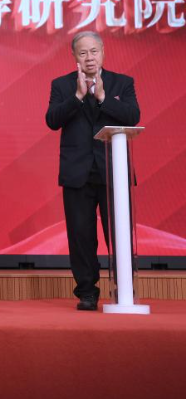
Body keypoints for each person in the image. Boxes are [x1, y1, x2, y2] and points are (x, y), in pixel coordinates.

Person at [45, 31, 140, 311]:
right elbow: (52, 120)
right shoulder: (62, 85)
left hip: (114, 171)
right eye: (83, 52)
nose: (89, 58)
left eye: (94, 51)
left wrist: (102, 97)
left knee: (119, 233)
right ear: (74, 56)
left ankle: (124, 288)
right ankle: (87, 292)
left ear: (103, 52)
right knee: (81, 235)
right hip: (77, 172)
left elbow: (133, 117)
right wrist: (77, 96)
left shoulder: (122, 83)